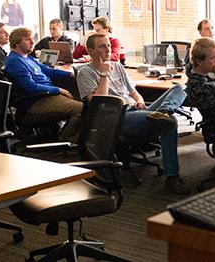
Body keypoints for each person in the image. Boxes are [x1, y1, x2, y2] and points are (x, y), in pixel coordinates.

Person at [76, 33, 189, 194]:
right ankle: (172, 177)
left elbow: (134, 93)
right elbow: (98, 104)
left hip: (136, 110)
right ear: (91, 50)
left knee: (181, 88)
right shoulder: (85, 73)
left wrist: (139, 101)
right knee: (169, 122)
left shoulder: (118, 66)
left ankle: (164, 111)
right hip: (117, 117)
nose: (108, 49)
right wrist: (104, 74)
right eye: (102, 46)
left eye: (108, 45)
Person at [4, 28, 84, 142]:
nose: (32, 42)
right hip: (35, 101)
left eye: (32, 39)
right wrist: (58, 90)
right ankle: (65, 140)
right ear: (16, 42)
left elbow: (47, 70)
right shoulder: (15, 62)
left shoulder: (28, 58)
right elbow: (30, 87)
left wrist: (70, 75)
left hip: (45, 96)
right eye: (27, 39)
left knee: (83, 101)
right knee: (82, 109)